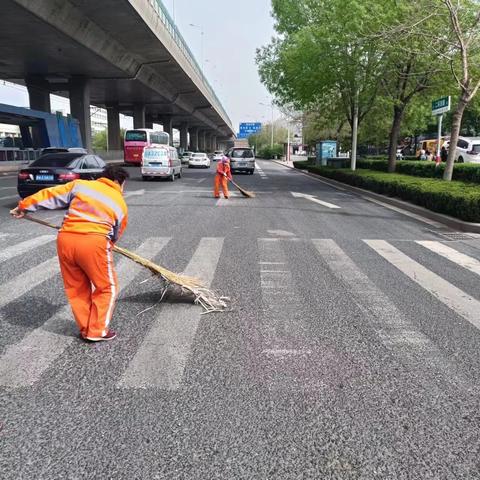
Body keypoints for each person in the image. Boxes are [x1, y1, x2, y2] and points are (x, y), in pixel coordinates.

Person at [10, 165, 129, 342]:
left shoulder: (80, 185)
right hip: (93, 242)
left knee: (76, 287)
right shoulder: (120, 203)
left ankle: (85, 328)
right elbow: (115, 233)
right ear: (118, 182)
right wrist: (108, 245)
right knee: (107, 287)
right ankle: (97, 331)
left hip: (66, 239)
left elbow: (50, 195)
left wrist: (23, 207)